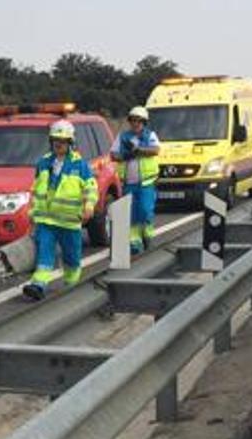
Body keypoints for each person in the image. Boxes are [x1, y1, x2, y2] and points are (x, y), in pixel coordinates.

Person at [22, 120, 97, 301]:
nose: (58, 144)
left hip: (70, 221)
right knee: (45, 253)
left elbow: (90, 188)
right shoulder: (43, 163)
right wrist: (31, 213)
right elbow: (35, 190)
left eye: (62, 141)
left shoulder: (80, 165)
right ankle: (38, 285)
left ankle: (71, 284)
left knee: (71, 257)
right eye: (55, 140)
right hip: (46, 221)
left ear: (70, 142)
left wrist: (89, 206)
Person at [111, 106, 160, 254]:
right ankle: (134, 243)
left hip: (146, 182)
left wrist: (139, 150)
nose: (135, 123)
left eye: (139, 121)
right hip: (128, 183)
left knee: (145, 211)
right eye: (133, 120)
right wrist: (126, 155)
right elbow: (113, 155)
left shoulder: (150, 135)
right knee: (131, 214)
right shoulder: (123, 137)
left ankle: (147, 235)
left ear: (144, 122)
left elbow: (155, 150)